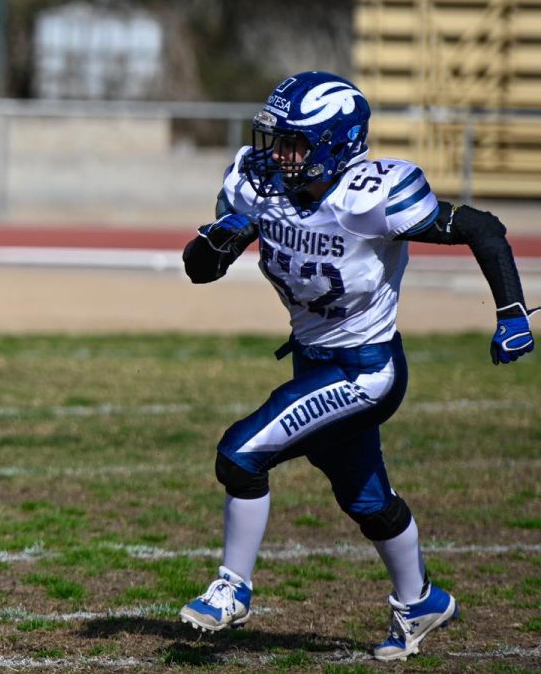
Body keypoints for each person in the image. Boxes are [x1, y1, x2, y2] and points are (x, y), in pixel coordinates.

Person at [178, 71, 535, 660]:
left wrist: (512, 312)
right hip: (314, 362)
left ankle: (233, 589)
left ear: (338, 144)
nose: (280, 155)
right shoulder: (258, 185)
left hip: (367, 372)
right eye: (277, 140)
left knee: (241, 454)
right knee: (367, 501)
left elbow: (482, 229)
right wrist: (219, 238)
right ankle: (420, 600)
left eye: (295, 142)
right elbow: (199, 269)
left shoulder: (370, 197)